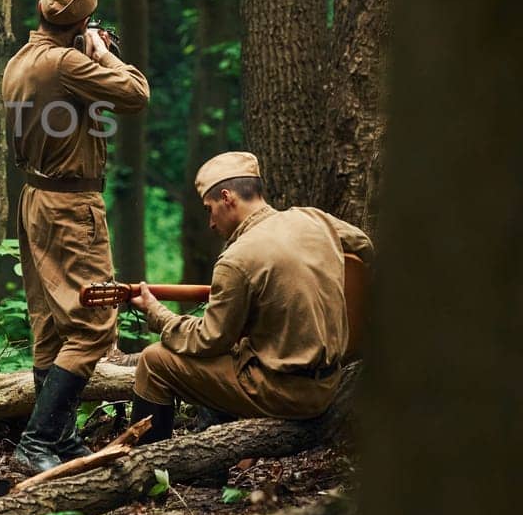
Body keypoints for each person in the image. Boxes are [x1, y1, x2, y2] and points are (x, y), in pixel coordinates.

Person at [2, 0, 151, 474]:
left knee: (49, 324)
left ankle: (59, 442)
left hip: (37, 200)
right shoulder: (66, 63)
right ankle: (38, 440)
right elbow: (135, 94)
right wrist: (103, 53)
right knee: (92, 325)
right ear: (82, 22)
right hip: (71, 207)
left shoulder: (22, 60)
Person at [125, 151, 372, 440]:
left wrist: (157, 314)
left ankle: (148, 469)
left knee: (155, 361)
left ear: (228, 197)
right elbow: (364, 246)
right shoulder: (314, 219)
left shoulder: (236, 259)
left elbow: (209, 340)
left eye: (209, 209)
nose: (211, 223)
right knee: (239, 344)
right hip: (328, 381)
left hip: (286, 393)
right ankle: (210, 460)